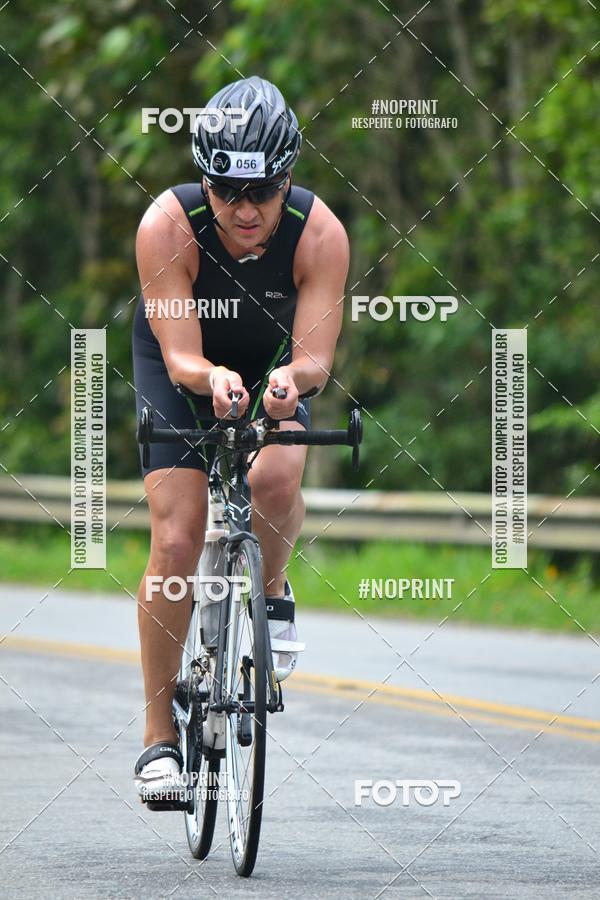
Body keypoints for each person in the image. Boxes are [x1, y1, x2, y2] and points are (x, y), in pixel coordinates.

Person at [131, 75, 349, 798]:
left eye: (264, 192)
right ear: (203, 178)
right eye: (227, 192)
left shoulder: (320, 233)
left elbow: (316, 357)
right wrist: (211, 379)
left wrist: (290, 382)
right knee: (176, 541)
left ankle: (274, 589)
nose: (246, 211)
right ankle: (159, 738)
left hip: (271, 367)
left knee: (277, 476)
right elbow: (181, 359)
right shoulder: (167, 224)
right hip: (184, 365)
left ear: (289, 176)